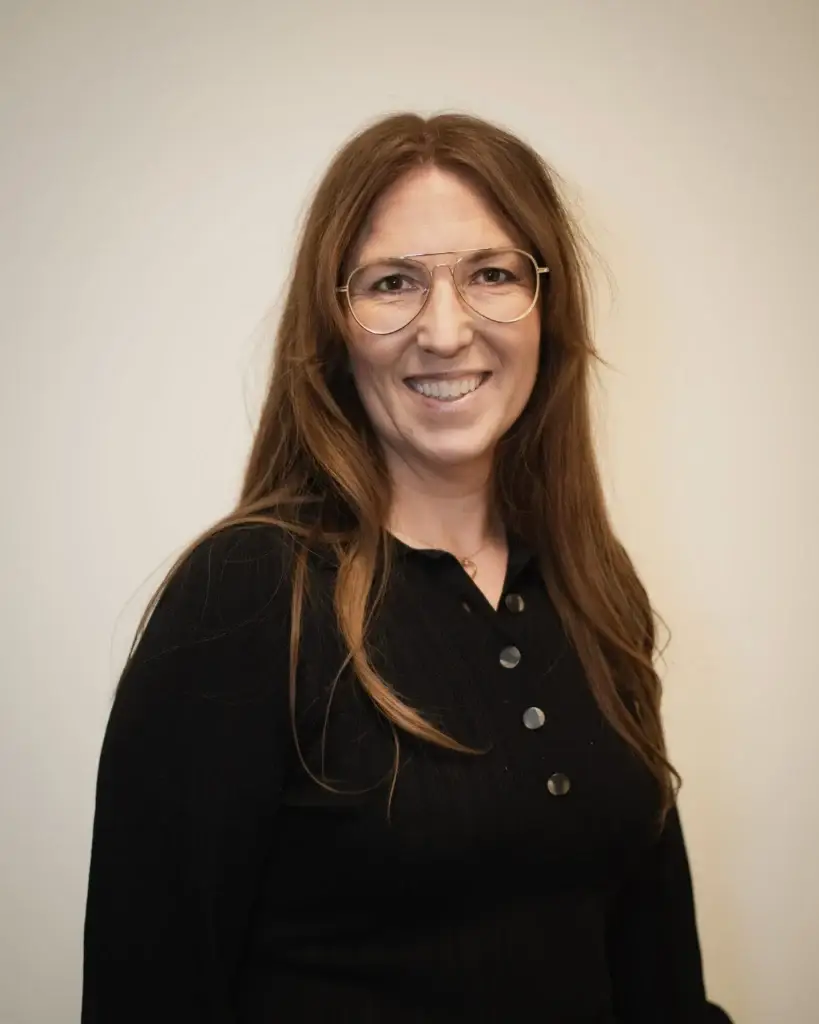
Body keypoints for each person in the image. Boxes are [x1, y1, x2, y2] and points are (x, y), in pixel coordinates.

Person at [82, 112, 732, 1023]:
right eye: (393, 284)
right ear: (334, 324)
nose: (444, 330)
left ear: (550, 308)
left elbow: (659, 975)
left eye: (492, 275)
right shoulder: (247, 595)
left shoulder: (592, 584)